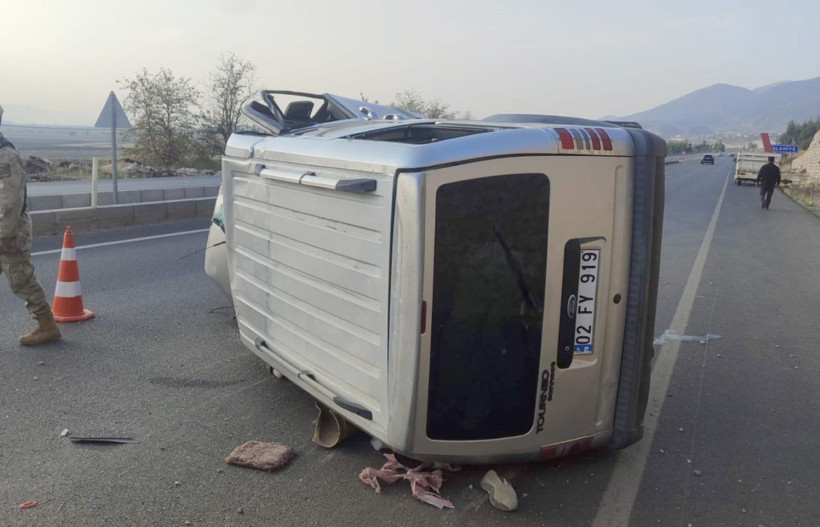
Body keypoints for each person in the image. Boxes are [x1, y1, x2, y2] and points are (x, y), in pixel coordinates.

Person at [0, 104, 61, 345]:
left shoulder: (5, 156)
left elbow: (9, 202)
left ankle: (47, 326)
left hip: (9, 232)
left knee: (21, 279)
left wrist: (3, 236)